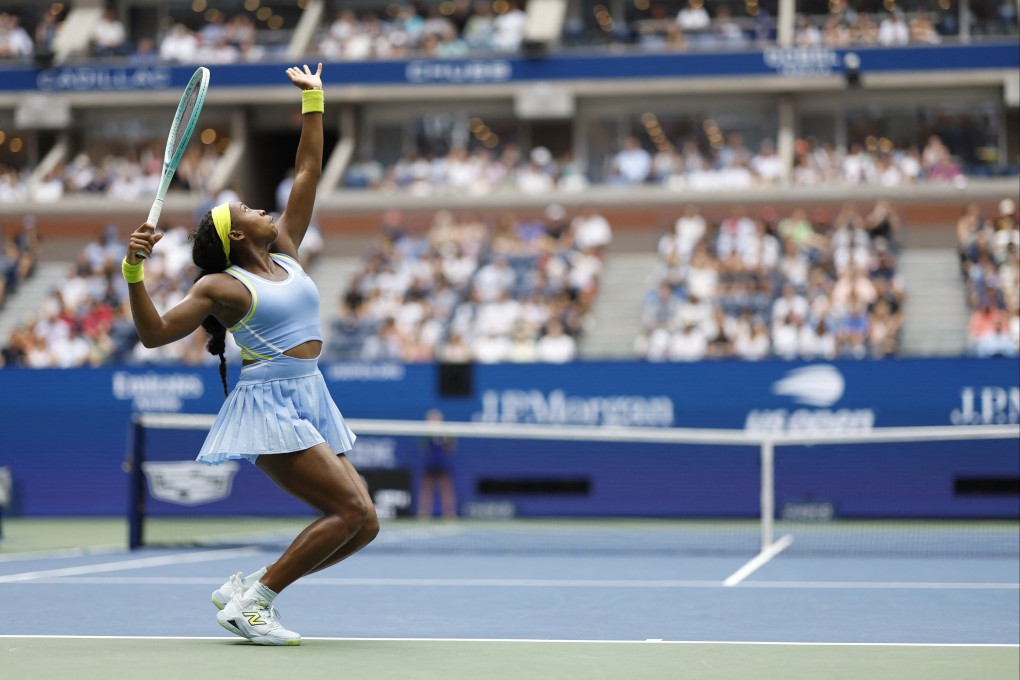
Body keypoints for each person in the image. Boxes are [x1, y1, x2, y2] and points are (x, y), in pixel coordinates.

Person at [123, 64, 378, 646]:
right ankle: (255, 603)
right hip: (268, 405)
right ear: (236, 235)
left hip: (311, 393)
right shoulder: (222, 287)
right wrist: (134, 271)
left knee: (365, 524)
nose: (264, 210)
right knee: (346, 513)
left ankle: (253, 587)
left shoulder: (285, 252)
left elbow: (309, 169)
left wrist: (314, 101)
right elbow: (155, 334)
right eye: (249, 211)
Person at [417, 408, 458, 519]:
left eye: (436, 418)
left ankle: (450, 514)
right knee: (426, 489)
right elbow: (422, 448)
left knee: (446, 489)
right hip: (430, 464)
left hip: (443, 465)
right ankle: (424, 514)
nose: (434, 420)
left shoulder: (446, 432)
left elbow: (451, 448)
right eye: (431, 418)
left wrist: (446, 440)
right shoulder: (426, 434)